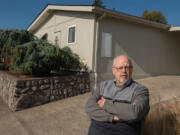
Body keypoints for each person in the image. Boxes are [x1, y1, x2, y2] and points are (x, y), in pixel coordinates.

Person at [85, 55, 150, 135]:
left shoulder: (140, 90)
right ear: (113, 70)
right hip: (97, 130)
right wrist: (114, 118)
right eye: (120, 68)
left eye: (127, 67)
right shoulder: (103, 86)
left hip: (124, 131)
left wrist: (105, 104)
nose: (124, 71)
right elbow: (89, 107)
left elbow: (135, 112)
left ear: (131, 69)